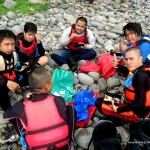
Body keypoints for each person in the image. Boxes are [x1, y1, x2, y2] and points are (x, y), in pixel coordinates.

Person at [4, 68, 76, 149]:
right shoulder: (58, 100)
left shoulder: (22, 105)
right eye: (51, 81)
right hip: (63, 145)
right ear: (46, 86)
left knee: (16, 117)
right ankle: (71, 139)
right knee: (71, 108)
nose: (52, 82)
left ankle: (25, 142)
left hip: (37, 147)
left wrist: (23, 100)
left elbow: (6, 115)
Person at [95, 47, 150, 122]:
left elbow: (139, 104)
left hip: (137, 113)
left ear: (140, 58)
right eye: (126, 59)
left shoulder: (141, 76)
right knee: (106, 97)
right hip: (131, 103)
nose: (128, 62)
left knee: (99, 103)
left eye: (131, 59)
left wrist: (118, 110)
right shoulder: (142, 68)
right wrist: (117, 66)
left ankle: (117, 118)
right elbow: (128, 72)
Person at [0, 29, 33, 111]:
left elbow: (29, 59)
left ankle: (26, 91)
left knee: (31, 71)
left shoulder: (16, 49)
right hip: (2, 82)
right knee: (2, 94)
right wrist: (6, 83)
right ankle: (8, 111)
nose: (10, 47)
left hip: (12, 73)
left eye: (12, 44)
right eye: (6, 45)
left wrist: (26, 66)